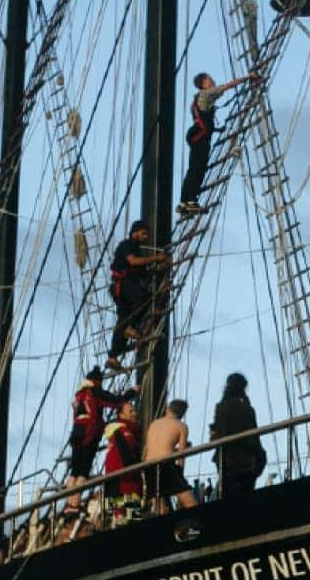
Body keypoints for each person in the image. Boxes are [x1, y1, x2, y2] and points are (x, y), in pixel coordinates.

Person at [180, 71, 255, 215]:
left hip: (197, 135)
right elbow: (226, 87)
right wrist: (247, 78)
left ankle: (184, 202)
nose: (212, 80)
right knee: (198, 168)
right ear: (203, 83)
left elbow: (204, 119)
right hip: (200, 138)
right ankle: (190, 201)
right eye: (209, 79)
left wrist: (217, 130)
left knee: (194, 168)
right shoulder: (206, 94)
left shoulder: (198, 99)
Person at [65, 368, 127, 517]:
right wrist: (131, 392)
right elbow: (115, 401)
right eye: (132, 411)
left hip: (76, 433)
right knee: (83, 471)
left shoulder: (79, 395)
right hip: (89, 434)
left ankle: (69, 503)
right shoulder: (95, 392)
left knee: (74, 470)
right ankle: (75, 503)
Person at [107, 220, 168, 369]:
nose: (146, 237)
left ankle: (113, 357)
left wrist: (158, 267)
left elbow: (142, 272)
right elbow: (133, 262)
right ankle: (131, 327)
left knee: (123, 319)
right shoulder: (126, 245)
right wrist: (156, 258)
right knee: (145, 298)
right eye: (144, 233)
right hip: (123, 285)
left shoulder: (137, 250)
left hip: (123, 288)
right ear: (135, 232)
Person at [211, 372, 268, 498]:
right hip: (248, 460)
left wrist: (213, 433)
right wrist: (260, 459)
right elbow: (254, 436)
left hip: (227, 460)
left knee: (230, 496)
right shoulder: (248, 409)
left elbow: (219, 434)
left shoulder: (222, 407)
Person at [144, 399, 199, 512]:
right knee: (190, 501)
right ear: (182, 414)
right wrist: (180, 474)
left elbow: (157, 447)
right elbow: (181, 455)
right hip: (166, 465)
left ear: (168, 409)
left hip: (149, 466)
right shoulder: (181, 426)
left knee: (160, 506)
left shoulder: (153, 424)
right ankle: (199, 526)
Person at [99, 399, 144, 524]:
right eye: (131, 411)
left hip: (114, 485)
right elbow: (127, 456)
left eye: (134, 410)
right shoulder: (124, 431)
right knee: (131, 520)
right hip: (125, 484)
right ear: (121, 415)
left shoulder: (116, 432)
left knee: (119, 519)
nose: (134, 413)